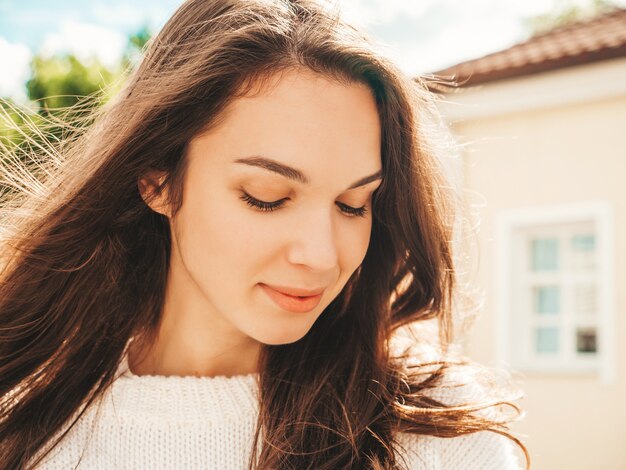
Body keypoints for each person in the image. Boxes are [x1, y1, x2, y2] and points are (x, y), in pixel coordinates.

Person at [0, 0, 529, 468]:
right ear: (156, 179)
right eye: (267, 196)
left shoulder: (438, 440)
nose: (321, 257)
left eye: (353, 204)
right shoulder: (20, 420)